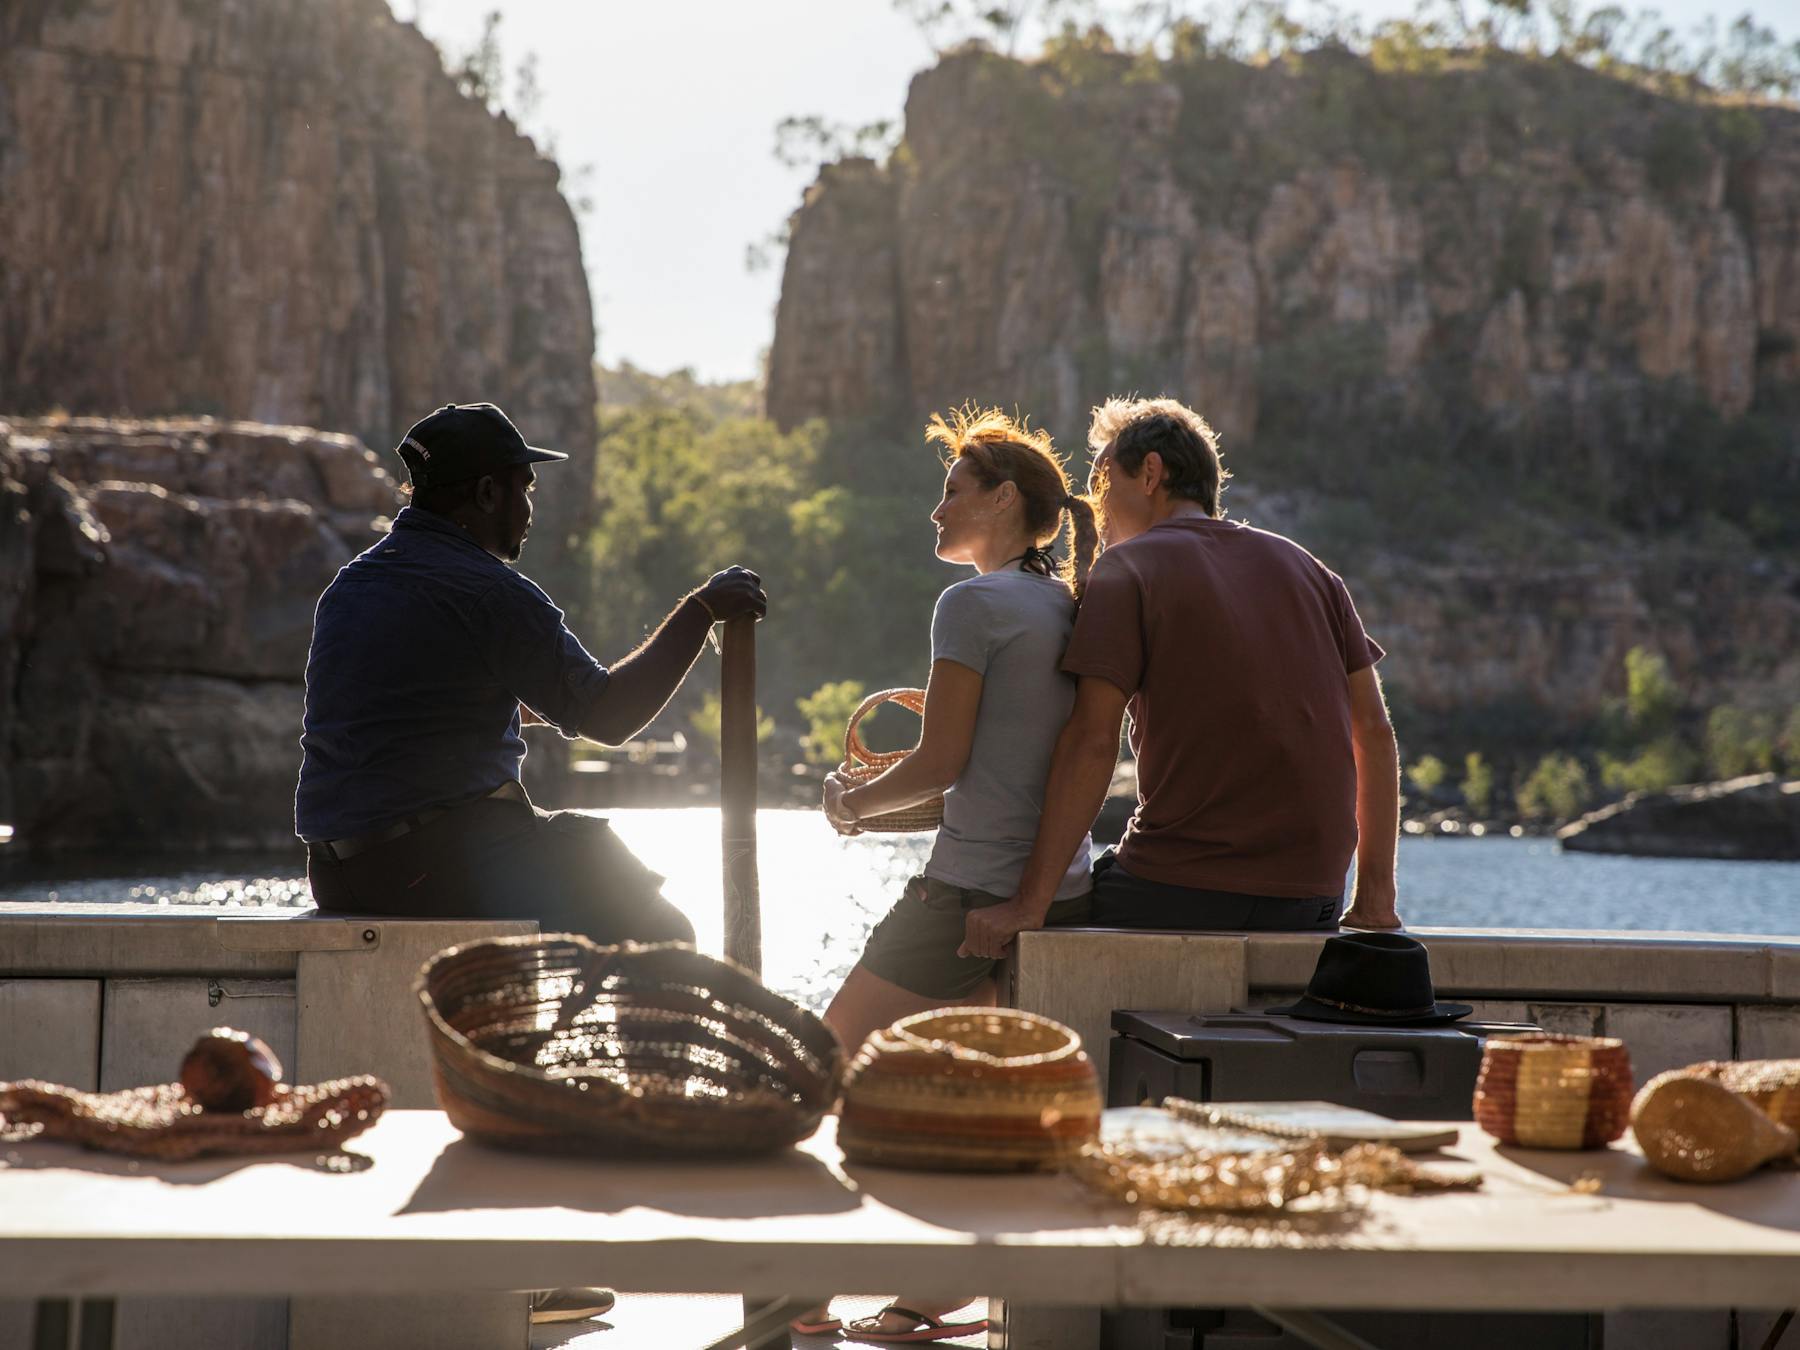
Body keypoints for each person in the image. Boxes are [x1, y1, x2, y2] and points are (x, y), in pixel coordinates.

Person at [795, 406, 1098, 1345]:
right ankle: (940, 1285)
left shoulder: (970, 605)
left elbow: (939, 761)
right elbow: (1007, 768)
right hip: (1054, 889)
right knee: (973, 1095)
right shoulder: (1063, 605)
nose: (936, 510)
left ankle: (794, 1285)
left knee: (815, 1062)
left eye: (953, 490)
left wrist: (849, 805)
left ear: (1004, 499)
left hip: (965, 892)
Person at [297, 401, 765, 949]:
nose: (528, 510)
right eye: (526, 490)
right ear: (488, 494)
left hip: (337, 874)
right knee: (662, 933)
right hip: (433, 868)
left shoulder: (351, 585)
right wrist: (701, 610)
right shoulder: (489, 592)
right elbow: (610, 717)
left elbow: (420, 711)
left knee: (576, 858)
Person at [961, 396, 1402, 965]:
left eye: (1102, 481)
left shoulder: (1129, 567)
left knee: (998, 932)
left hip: (1177, 890)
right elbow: (1374, 733)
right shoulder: (1311, 569)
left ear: (1150, 473)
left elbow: (1093, 741)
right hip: (1311, 900)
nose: (1095, 506)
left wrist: (1027, 904)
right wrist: (1374, 898)